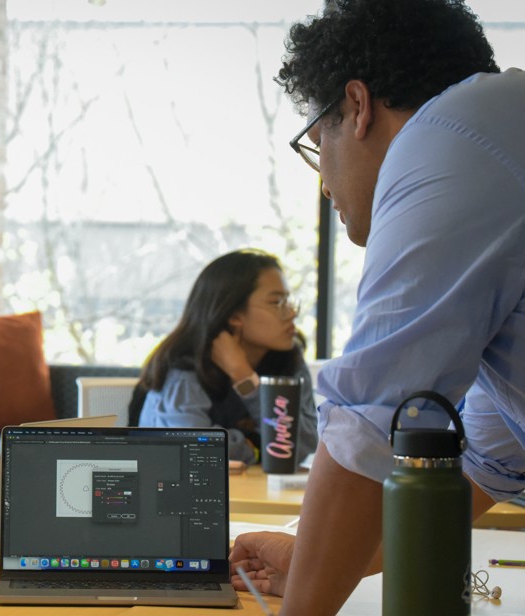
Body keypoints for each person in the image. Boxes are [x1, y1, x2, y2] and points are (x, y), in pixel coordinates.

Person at [229, 1, 525, 614]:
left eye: (318, 147)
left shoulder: (448, 135)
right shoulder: (504, 132)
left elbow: (371, 414)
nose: (326, 185)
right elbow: (487, 463)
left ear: (358, 106)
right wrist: (309, 554)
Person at [131, 249, 317, 465]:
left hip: (259, 495)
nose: (292, 313)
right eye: (276, 303)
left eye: (289, 301)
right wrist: (255, 444)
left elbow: (301, 446)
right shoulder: (185, 367)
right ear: (234, 315)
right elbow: (192, 453)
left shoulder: (288, 359)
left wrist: (244, 378)